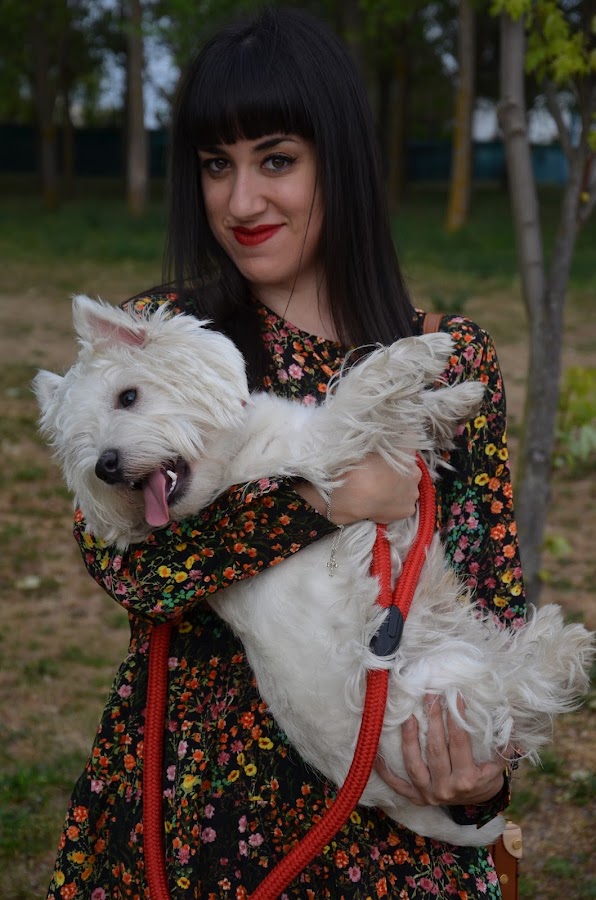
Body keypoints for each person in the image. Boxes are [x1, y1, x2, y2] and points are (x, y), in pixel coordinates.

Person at [47, 7, 525, 899]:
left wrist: (486, 775)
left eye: (276, 160)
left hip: (387, 820)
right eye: (215, 165)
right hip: (194, 813)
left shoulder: (449, 360)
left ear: (338, 161)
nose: (240, 203)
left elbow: (491, 594)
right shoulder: (174, 344)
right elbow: (125, 561)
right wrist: (320, 503)